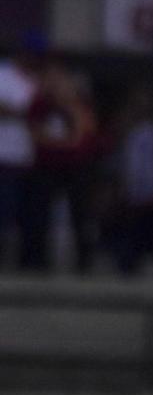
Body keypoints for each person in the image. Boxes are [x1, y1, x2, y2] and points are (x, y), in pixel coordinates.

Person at [19, 57, 101, 273]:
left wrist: (67, 103)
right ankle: (35, 263)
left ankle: (85, 263)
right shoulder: (38, 104)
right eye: (49, 77)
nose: (54, 81)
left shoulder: (79, 103)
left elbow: (81, 133)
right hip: (45, 168)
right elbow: (36, 135)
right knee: (38, 214)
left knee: (81, 215)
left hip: (76, 167)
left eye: (58, 77)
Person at [105, 80, 153, 275]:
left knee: (148, 230)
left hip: (151, 191)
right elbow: (121, 161)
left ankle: (149, 261)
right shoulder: (126, 130)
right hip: (129, 190)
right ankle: (125, 264)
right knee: (126, 230)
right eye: (138, 102)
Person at [0, 36, 39, 267]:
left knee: (24, 216)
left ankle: (22, 263)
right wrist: (28, 113)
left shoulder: (37, 80)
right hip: (4, 156)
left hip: (30, 158)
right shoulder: (3, 73)